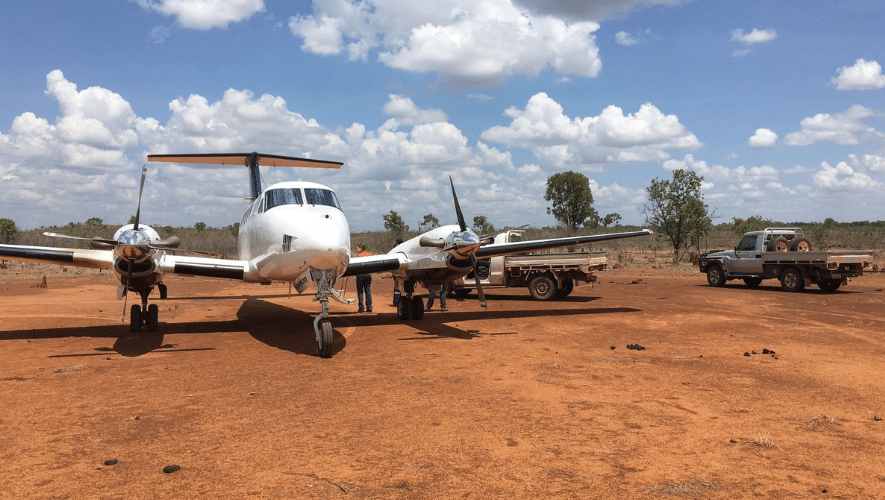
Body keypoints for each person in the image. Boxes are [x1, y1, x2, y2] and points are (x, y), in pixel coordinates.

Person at [355, 244, 373, 312]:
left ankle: (361, 307)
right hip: (368, 275)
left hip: (360, 276)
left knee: (360, 292)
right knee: (368, 291)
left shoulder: (359, 256)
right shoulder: (370, 254)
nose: (357, 250)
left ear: (361, 248)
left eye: (357, 248)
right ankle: (369, 307)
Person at [391, 238, 403, 307]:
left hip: (399, 270)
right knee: (398, 286)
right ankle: (397, 301)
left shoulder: (397, 250)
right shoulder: (399, 250)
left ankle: (397, 302)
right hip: (397, 271)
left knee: (398, 286)